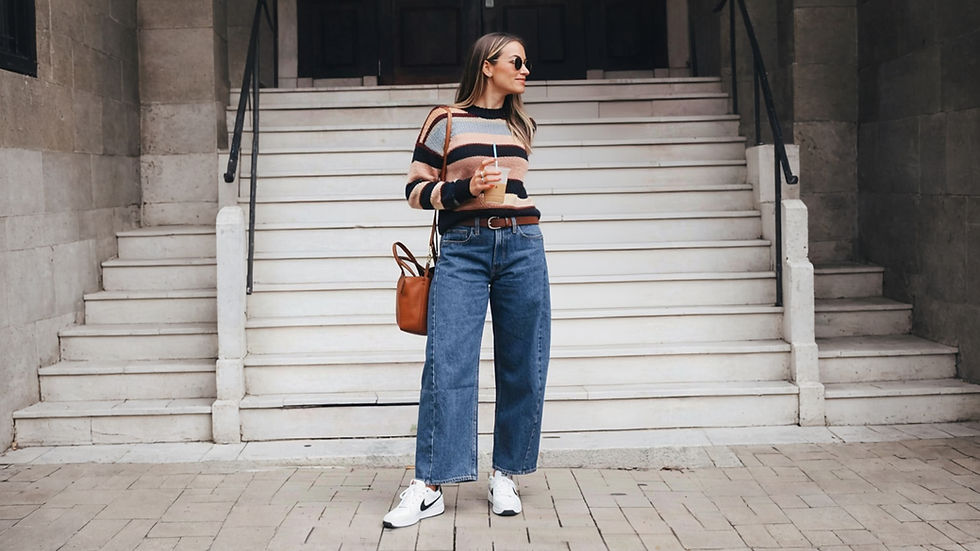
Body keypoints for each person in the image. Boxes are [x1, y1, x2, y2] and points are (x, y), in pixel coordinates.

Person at [383, 32, 551, 529]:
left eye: (526, 62)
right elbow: (414, 190)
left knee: (524, 362)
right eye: (516, 61)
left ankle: (506, 474)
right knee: (447, 364)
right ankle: (430, 483)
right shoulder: (446, 119)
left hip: (522, 244)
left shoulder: (522, 125)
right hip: (464, 248)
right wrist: (462, 189)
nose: (525, 70)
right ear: (487, 66)